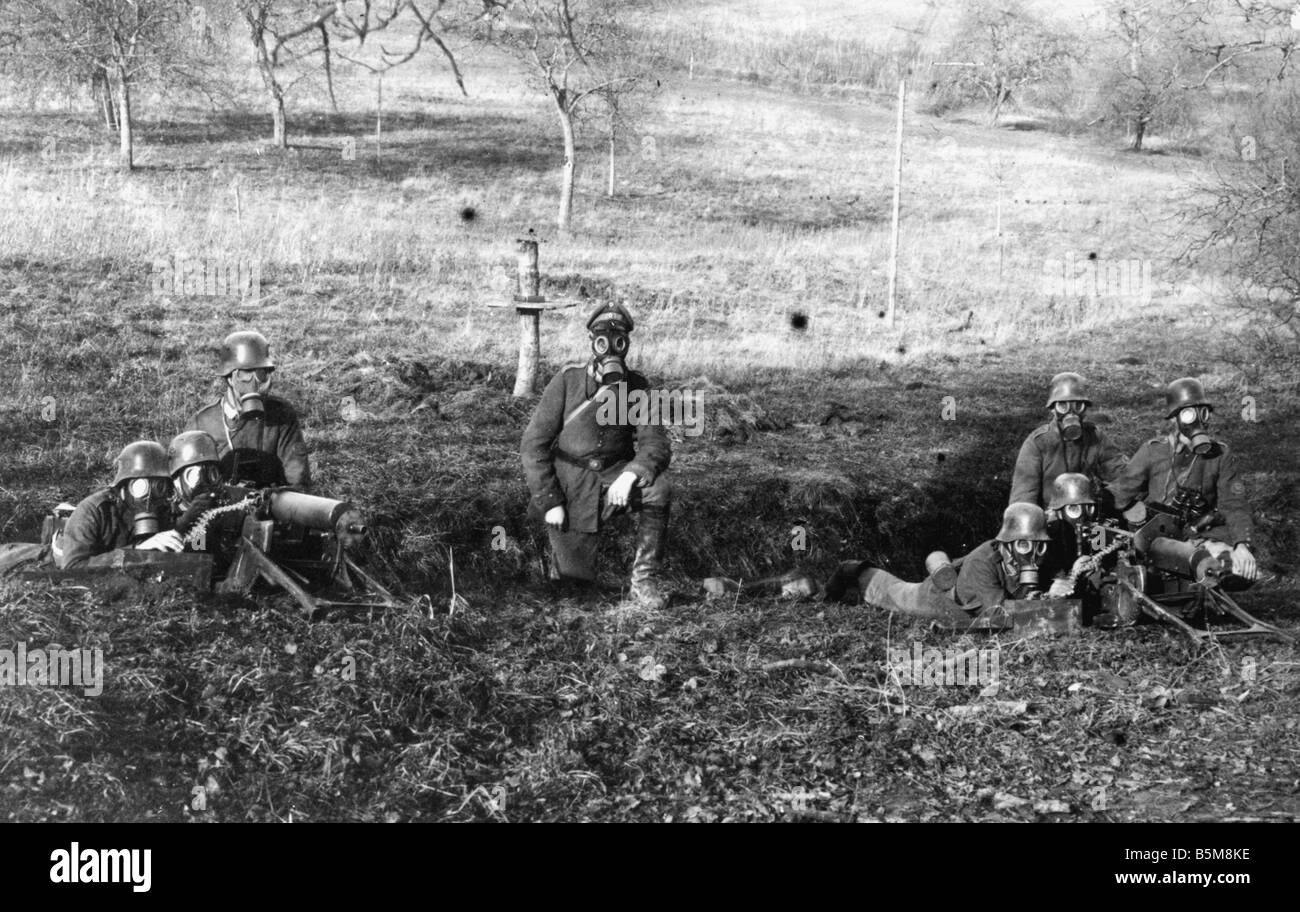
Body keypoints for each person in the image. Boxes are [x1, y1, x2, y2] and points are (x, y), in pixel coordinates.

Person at [520, 302, 672, 608]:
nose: (611, 349)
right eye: (603, 341)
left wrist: (630, 474)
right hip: (570, 484)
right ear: (593, 343)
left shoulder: (638, 387)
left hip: (615, 478)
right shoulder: (567, 380)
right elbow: (533, 445)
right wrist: (551, 502)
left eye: (619, 342)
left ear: (626, 344)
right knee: (576, 588)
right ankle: (551, 563)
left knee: (659, 489)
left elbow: (655, 443)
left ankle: (642, 583)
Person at [1107, 377, 1258, 583]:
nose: (1197, 421)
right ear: (1173, 420)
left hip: (1200, 537)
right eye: (1188, 414)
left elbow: (1234, 505)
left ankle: (1208, 581)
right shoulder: (1153, 451)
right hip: (1157, 538)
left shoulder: (1220, 454)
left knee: (1241, 571)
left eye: (1202, 413)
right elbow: (1120, 492)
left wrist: (1242, 545)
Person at [823, 503, 1055, 628]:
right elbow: (1000, 614)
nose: (1033, 553)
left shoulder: (1022, 559)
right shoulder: (982, 562)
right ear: (1006, 542)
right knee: (895, 594)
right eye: (1024, 545)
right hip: (934, 599)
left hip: (961, 602)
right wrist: (1044, 606)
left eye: (1039, 546)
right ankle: (848, 571)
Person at [185, 330, 311, 490]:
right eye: (246, 374)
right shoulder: (201, 423)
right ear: (229, 377)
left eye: (261, 373)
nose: (255, 382)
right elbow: (189, 487)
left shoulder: (281, 416)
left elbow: (298, 481)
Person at [1009, 372, 1127, 512]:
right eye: (1063, 406)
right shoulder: (1038, 443)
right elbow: (1023, 495)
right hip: (1050, 518)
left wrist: (1108, 499)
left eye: (1078, 406)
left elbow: (1122, 475)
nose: (1071, 412)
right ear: (1053, 409)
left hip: (1089, 516)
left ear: (1085, 409)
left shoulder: (1095, 437)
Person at [56, 441, 183, 569]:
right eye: (141, 487)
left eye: (159, 487)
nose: (150, 496)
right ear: (123, 485)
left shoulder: (166, 511)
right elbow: (72, 567)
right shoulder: (93, 510)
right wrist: (134, 552)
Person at [166, 431, 251, 562]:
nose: (204, 482)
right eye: (193, 474)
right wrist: (185, 521)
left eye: (212, 474)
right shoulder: (165, 510)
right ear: (177, 480)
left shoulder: (227, 503)